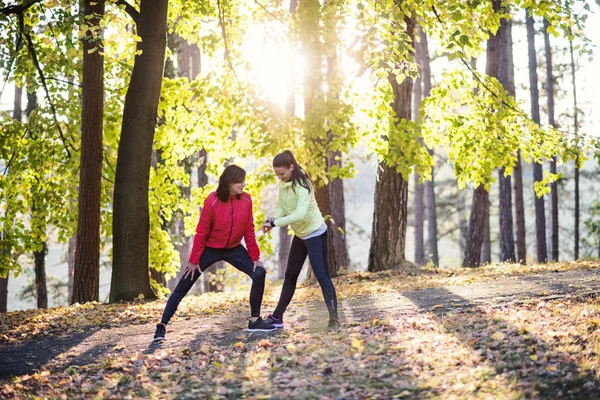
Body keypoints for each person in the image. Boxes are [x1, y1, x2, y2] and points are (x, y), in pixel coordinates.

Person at [153, 165, 275, 342]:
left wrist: (255, 257)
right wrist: (194, 260)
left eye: (243, 180)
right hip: (210, 249)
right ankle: (162, 326)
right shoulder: (212, 201)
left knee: (259, 273)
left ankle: (255, 320)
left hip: (234, 248)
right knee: (185, 283)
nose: (243, 184)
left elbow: (249, 229)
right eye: (239, 181)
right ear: (228, 182)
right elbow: (201, 231)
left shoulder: (247, 200)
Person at [261, 150, 340, 331]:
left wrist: (276, 223)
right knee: (290, 275)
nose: (279, 178)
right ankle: (277, 317)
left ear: (291, 167)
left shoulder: (303, 185)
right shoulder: (284, 184)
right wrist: (273, 219)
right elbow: (281, 207)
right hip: (301, 234)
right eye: (277, 175)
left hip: (315, 233)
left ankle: (334, 320)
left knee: (321, 275)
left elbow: (299, 214)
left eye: (282, 174)